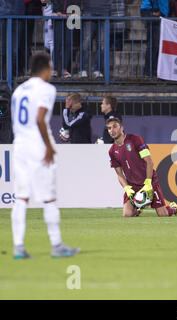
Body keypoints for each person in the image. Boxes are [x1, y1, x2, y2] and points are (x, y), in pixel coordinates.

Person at [10, 52, 80, 259]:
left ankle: (18, 247)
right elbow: (40, 118)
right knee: (48, 199)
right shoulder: (47, 89)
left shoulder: (18, 90)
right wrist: (48, 147)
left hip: (20, 145)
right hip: (37, 146)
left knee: (21, 197)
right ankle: (57, 245)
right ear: (47, 68)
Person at [107, 117, 177, 217]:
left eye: (115, 126)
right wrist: (127, 188)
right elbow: (119, 174)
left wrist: (148, 182)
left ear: (121, 128)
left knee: (162, 214)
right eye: (109, 128)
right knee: (127, 214)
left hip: (149, 181)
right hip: (132, 185)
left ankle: (174, 208)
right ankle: (138, 209)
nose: (112, 130)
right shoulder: (112, 151)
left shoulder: (135, 140)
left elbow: (149, 162)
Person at [79, 0, 112, 79]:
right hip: (89, 10)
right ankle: (82, 69)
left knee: (102, 43)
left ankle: (98, 70)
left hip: (104, 11)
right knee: (86, 42)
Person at [140, 0, 169, 78]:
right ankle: (150, 71)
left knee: (155, 45)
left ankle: (151, 71)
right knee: (154, 45)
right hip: (153, 12)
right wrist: (161, 12)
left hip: (153, 12)